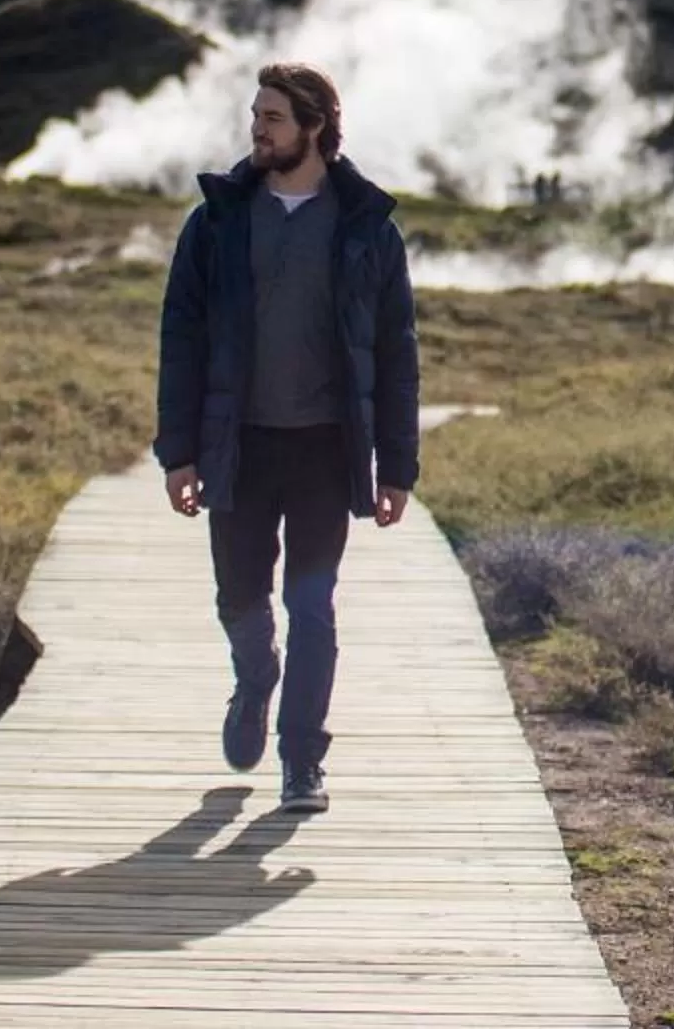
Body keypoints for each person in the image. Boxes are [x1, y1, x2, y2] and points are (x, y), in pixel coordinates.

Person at [154, 62, 422, 814]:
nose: (257, 129)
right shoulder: (218, 220)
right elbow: (182, 338)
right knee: (240, 598)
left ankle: (302, 759)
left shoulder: (368, 229)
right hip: (237, 444)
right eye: (256, 116)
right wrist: (178, 452)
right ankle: (254, 677)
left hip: (324, 451)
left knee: (314, 607)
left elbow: (397, 353)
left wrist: (395, 467)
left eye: (273, 117)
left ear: (314, 127)